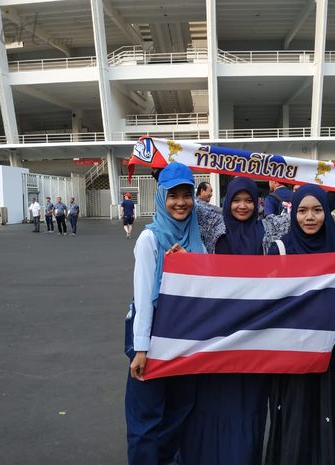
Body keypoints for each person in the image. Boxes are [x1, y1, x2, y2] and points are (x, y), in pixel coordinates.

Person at [265, 184, 335, 465]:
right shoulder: (280, 249)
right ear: (293, 214)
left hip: (333, 348)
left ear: (326, 213)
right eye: (302, 211)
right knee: (297, 411)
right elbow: (265, 299)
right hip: (292, 350)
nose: (310, 217)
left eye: (317, 210)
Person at [182, 177, 273, 465]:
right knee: (211, 400)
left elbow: (320, 208)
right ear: (227, 201)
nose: (242, 206)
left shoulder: (270, 229)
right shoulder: (213, 226)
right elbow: (184, 200)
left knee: (249, 405)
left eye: (249, 200)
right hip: (216, 335)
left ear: (258, 202)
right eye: (236, 200)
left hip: (254, 337)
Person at [125, 163, 206, 465]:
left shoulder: (196, 240)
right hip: (151, 335)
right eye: (173, 196)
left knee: (179, 410)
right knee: (147, 417)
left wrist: (191, 265)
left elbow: (207, 288)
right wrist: (142, 349)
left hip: (184, 337)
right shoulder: (150, 239)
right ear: (161, 198)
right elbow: (144, 297)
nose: (181, 202)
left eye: (187, 195)